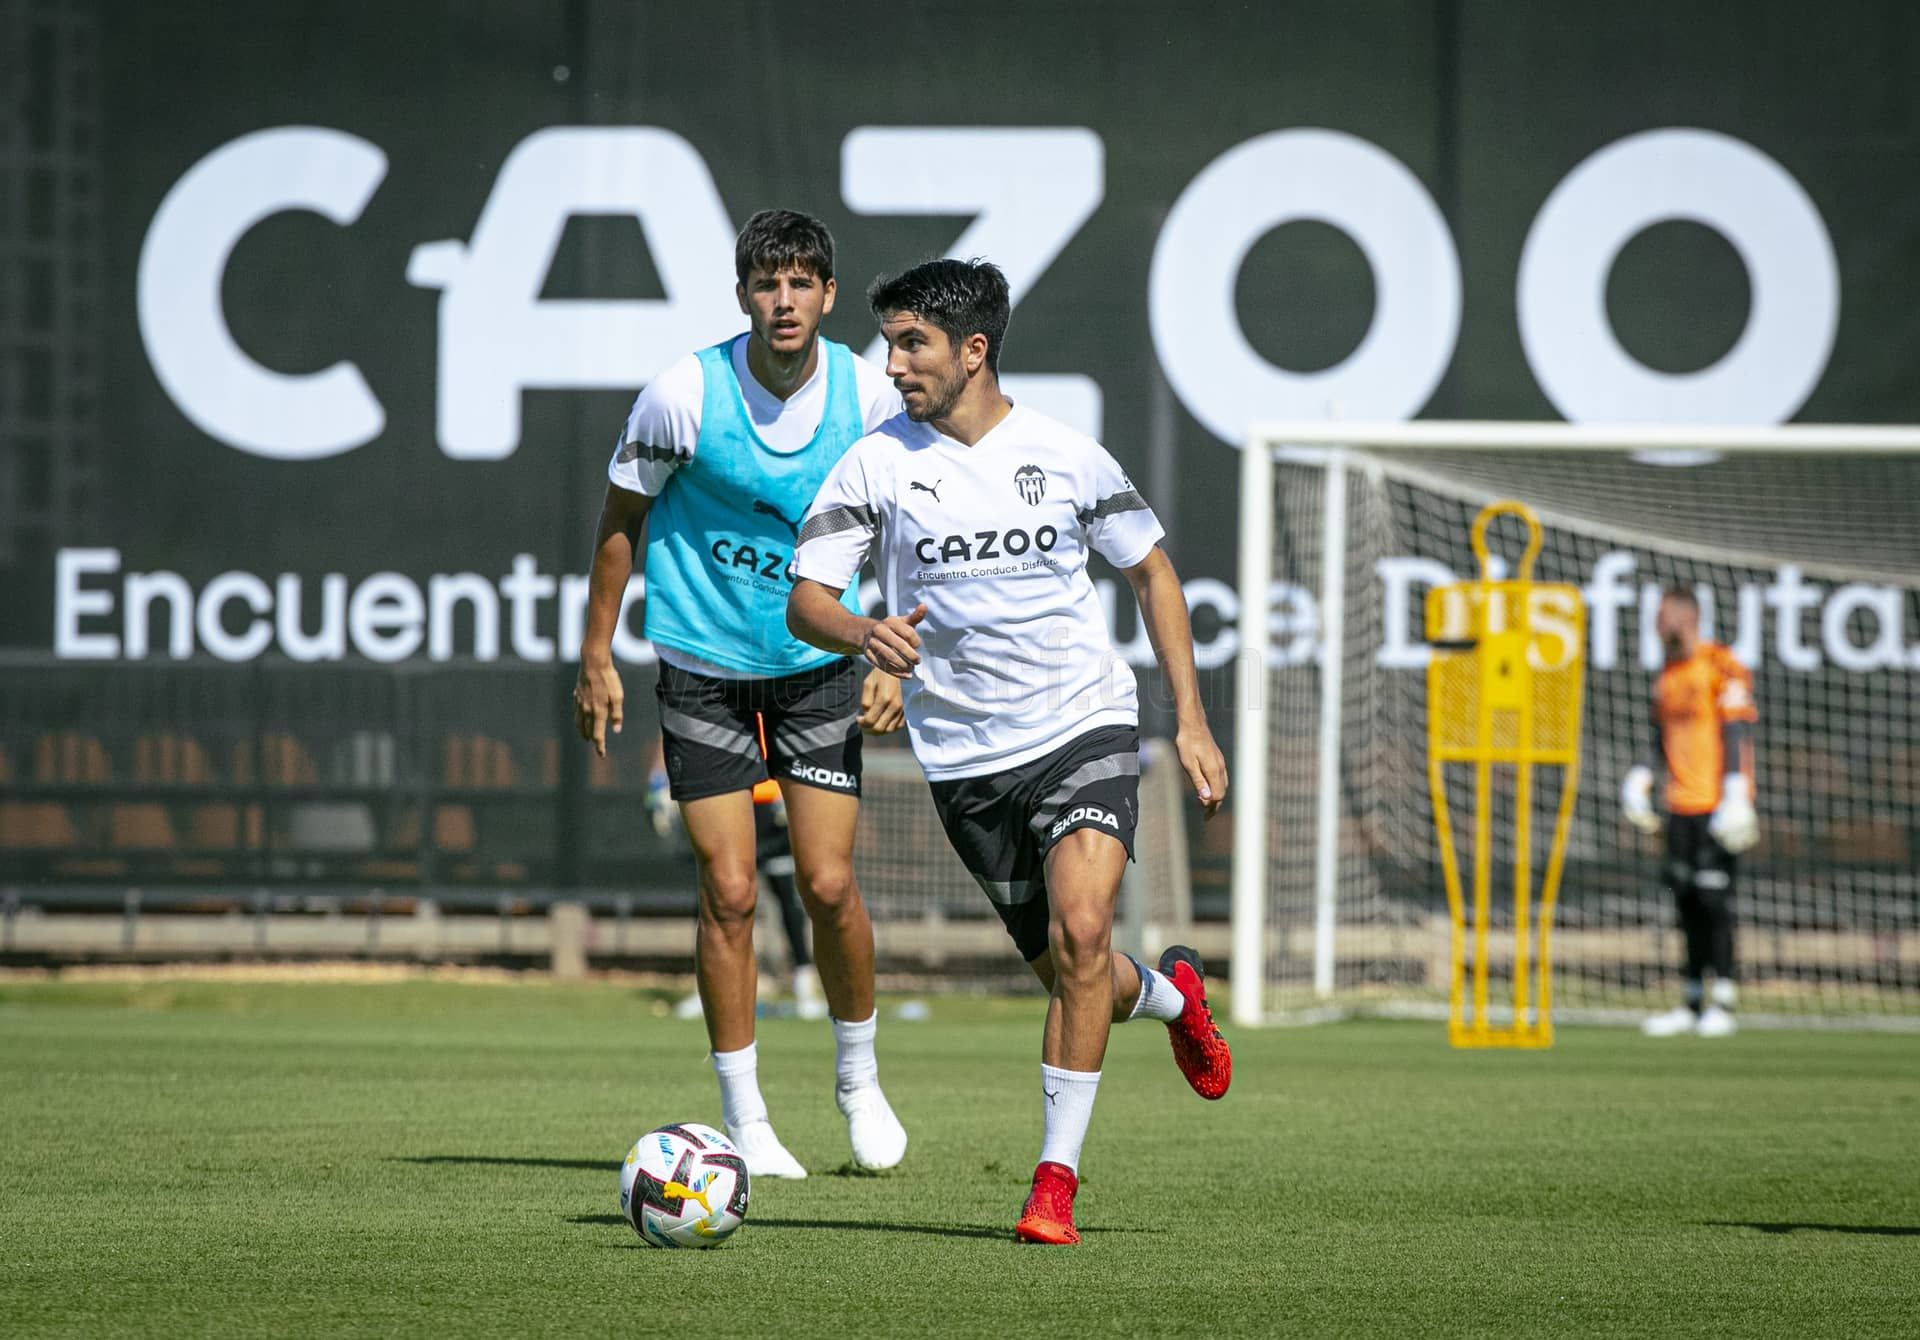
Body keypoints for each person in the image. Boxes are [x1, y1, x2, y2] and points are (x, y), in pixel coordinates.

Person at [787, 257, 1232, 1244]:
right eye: (890, 344)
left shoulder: (1064, 454)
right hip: (965, 758)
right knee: (1080, 977)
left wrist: (1192, 720)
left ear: (973, 350)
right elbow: (807, 599)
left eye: (913, 344)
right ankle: (1173, 998)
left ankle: (1053, 1187)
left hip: (1083, 722)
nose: (894, 364)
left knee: (1084, 932)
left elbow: (1154, 574)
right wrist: (864, 634)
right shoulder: (873, 464)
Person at [574, 209, 908, 1178]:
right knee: (727, 890)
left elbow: (909, 523)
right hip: (703, 663)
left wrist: (890, 653)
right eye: (768, 284)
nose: (784, 301)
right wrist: (596, 654)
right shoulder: (683, 395)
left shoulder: (868, 393)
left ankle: (859, 1079)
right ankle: (745, 1119)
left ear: (829, 296)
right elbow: (620, 521)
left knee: (827, 884)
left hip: (816, 664)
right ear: (742, 296)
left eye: (802, 283)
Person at [1620, 585, 1759, 1039]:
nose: (1657, 626)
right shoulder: (1667, 673)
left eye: (1662, 617)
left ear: (1685, 617)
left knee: (1715, 902)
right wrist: (1642, 776)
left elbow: (1735, 730)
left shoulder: (1720, 664)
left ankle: (1724, 1000)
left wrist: (1736, 792)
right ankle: (1692, 999)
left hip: (1716, 806)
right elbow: (1660, 736)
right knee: (1685, 902)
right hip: (1678, 805)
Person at [645, 733, 829, 1021]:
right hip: (723, 793)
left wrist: (792, 785)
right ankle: (707, 991)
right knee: (715, 894)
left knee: (786, 895)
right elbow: (673, 722)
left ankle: (804, 986)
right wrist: (657, 781)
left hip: (768, 800)